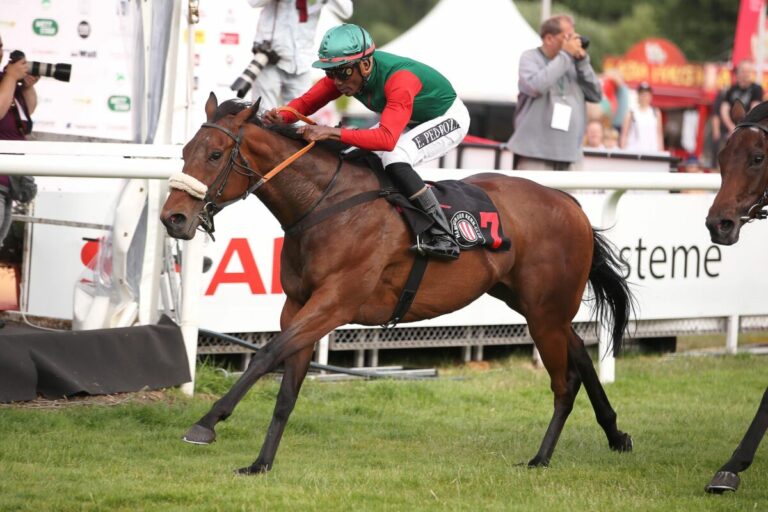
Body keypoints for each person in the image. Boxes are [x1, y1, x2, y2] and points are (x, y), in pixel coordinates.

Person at [264, 24, 470, 260]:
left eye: (342, 73)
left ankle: (443, 235)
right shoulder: (348, 72)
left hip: (447, 118)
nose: (336, 81)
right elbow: (305, 103)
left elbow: (386, 139)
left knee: (395, 157)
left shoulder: (400, 79)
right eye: (330, 73)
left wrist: (331, 132)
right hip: (410, 118)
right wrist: (281, 116)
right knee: (349, 154)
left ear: (365, 64)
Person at [507, 14, 601, 171]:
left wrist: (583, 63)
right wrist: (565, 56)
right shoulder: (530, 58)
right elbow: (535, 87)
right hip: (535, 154)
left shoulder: (574, 62)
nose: (574, 42)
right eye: (568, 37)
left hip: (571, 154)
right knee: (533, 189)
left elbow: (596, 95)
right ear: (549, 39)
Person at [245, 0, 353, 110]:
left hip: (302, 62)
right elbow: (253, 2)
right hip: (270, 58)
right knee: (262, 113)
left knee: (298, 115)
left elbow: (346, 11)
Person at [0, 33, 38, 249]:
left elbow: (24, 116)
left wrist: (27, 87)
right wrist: (11, 77)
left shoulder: (4, 79)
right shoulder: (6, 79)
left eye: (0, 46)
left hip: (8, 181)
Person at [720, 60, 763, 137]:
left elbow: (754, 109)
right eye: (743, 71)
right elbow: (724, 110)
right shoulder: (731, 89)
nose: (745, 74)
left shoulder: (756, 89)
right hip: (729, 131)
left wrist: (740, 128)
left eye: (748, 71)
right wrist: (731, 127)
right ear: (738, 73)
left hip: (748, 130)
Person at [620, 82, 664, 153]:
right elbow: (624, 134)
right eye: (642, 94)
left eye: (646, 94)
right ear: (638, 95)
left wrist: (661, 152)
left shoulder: (656, 112)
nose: (644, 97)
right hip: (634, 152)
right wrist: (623, 151)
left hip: (652, 151)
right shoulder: (631, 113)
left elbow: (659, 134)